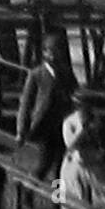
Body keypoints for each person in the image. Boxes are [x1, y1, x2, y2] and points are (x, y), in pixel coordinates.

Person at [16, 33, 78, 181]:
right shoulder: (37, 74)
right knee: (44, 163)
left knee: (59, 168)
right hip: (44, 126)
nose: (56, 55)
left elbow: (74, 95)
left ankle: (56, 201)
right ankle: (28, 191)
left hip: (61, 125)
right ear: (45, 53)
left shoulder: (66, 73)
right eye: (52, 51)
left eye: (58, 51)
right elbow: (26, 103)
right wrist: (21, 129)